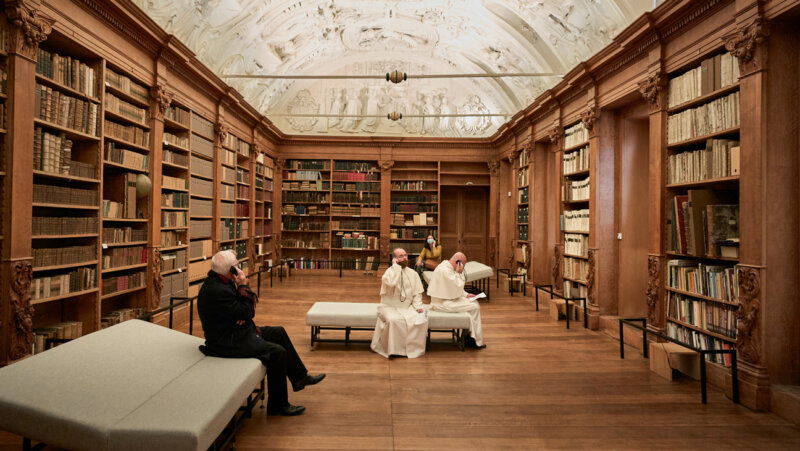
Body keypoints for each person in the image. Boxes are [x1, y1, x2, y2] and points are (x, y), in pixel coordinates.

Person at [197, 250, 325, 416]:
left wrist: (242, 312)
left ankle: (300, 377)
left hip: (236, 330)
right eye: (236, 265)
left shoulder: (221, 281)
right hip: (227, 342)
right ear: (231, 270)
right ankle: (278, 406)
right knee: (278, 353)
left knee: (278, 332)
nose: (239, 267)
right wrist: (243, 285)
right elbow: (247, 311)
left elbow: (242, 311)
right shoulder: (218, 290)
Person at [371, 248, 427, 359]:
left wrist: (418, 307)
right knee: (393, 320)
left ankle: (411, 349)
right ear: (395, 259)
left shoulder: (414, 274)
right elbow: (391, 283)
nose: (404, 258)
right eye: (400, 256)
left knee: (419, 319)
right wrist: (396, 268)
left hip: (407, 307)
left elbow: (417, 294)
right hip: (389, 307)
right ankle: (395, 350)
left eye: (405, 255)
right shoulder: (389, 272)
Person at [426, 252, 486, 348]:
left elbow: (453, 288)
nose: (463, 267)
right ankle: (472, 339)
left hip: (447, 300)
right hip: (442, 303)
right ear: (458, 262)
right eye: (463, 265)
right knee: (474, 307)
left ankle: (469, 335)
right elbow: (457, 285)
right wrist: (459, 273)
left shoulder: (448, 267)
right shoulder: (444, 270)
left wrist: (466, 295)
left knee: (473, 302)